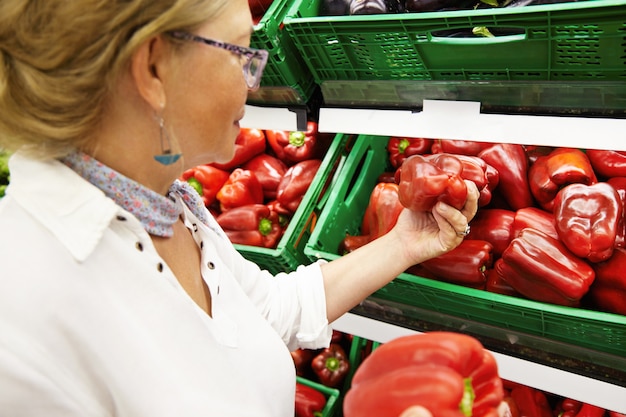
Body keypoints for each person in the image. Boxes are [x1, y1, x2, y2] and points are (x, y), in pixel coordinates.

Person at [0, 0, 478, 415]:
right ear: (153, 70)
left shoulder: (167, 202)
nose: (254, 79)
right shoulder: (21, 324)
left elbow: (265, 313)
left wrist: (402, 242)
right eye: (241, 53)